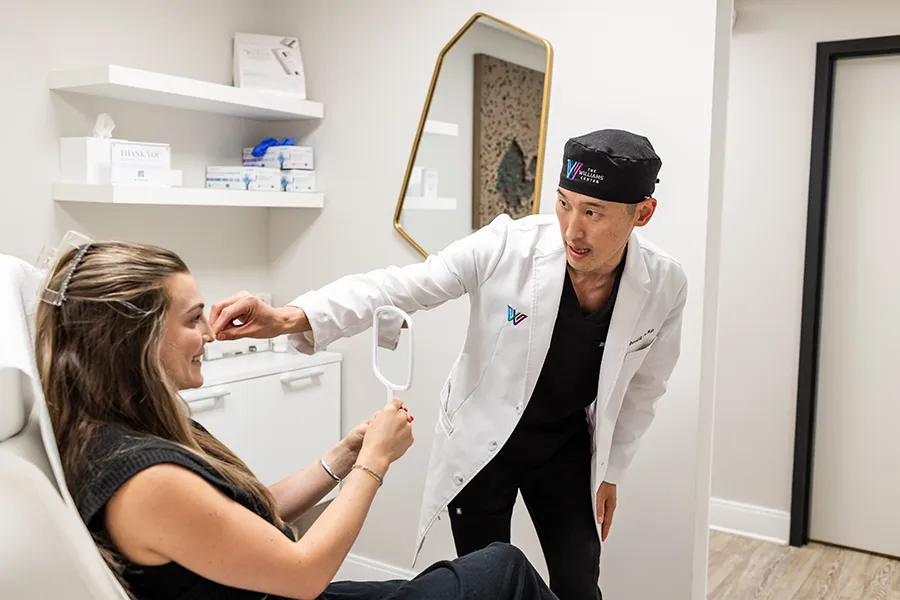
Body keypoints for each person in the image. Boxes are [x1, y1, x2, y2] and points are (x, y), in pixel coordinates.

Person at [212, 129, 688, 600]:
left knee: (580, 583)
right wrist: (289, 317)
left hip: (566, 446)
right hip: (483, 443)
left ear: (642, 213)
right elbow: (401, 287)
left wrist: (611, 472)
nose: (571, 229)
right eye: (564, 203)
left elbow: (645, 387)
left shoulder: (665, 284)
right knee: (485, 585)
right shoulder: (508, 246)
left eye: (593, 212)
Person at [33, 239, 559, 600]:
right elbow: (305, 573)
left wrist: (343, 456)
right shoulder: (145, 479)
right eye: (194, 319)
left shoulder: (128, 430)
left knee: (494, 565)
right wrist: (373, 465)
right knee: (504, 571)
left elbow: (253, 513)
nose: (210, 335)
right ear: (135, 338)